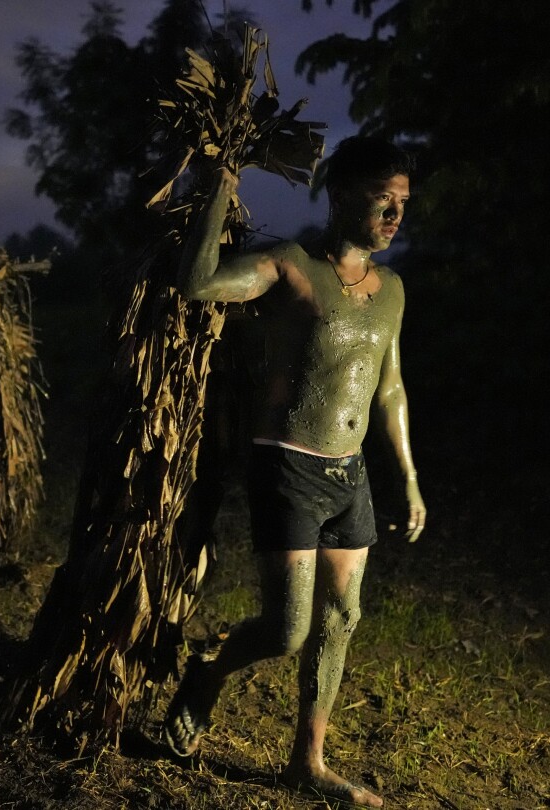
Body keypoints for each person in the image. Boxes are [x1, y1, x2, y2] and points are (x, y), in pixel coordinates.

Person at [165, 136, 426, 808]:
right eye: (381, 200)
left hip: (351, 475)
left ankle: (307, 762)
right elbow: (196, 285)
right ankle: (208, 672)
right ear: (340, 196)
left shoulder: (391, 289)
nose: (396, 214)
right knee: (287, 629)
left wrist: (409, 476)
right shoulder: (291, 266)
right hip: (287, 466)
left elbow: (389, 387)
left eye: (402, 202)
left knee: (341, 617)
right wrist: (220, 182)